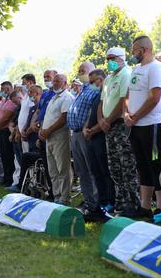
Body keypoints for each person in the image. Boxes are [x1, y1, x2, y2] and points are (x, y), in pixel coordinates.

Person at [125, 37, 161, 217]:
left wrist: (136, 116)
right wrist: (127, 114)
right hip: (135, 125)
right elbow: (128, 95)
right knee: (142, 165)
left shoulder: (156, 68)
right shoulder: (136, 69)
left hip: (152, 124)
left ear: (144, 49)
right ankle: (144, 207)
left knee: (156, 164)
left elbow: (154, 97)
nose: (133, 53)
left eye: (135, 50)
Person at [98, 47, 141, 218]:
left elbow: (123, 100)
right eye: (107, 58)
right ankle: (121, 202)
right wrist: (101, 120)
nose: (109, 61)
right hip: (108, 127)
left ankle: (133, 203)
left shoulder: (126, 75)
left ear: (122, 58)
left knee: (127, 165)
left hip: (120, 126)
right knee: (114, 166)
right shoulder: (109, 78)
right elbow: (102, 101)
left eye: (112, 58)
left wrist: (108, 120)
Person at [69, 67, 107, 221]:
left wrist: (87, 128)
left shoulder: (96, 92)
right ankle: (89, 204)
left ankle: (98, 204)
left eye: (83, 70)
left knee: (92, 170)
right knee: (82, 171)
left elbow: (93, 112)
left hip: (88, 134)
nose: (80, 72)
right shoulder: (83, 90)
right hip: (76, 133)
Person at [83, 69, 115, 214]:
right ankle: (101, 201)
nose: (91, 85)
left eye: (92, 81)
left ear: (101, 79)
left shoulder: (108, 95)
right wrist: (85, 128)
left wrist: (93, 130)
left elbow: (105, 117)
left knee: (105, 171)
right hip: (91, 138)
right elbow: (90, 113)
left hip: (100, 137)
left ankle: (110, 201)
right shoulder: (97, 96)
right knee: (95, 171)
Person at [40, 73, 72, 205]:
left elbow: (63, 118)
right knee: (52, 169)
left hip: (60, 136)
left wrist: (48, 130)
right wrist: (43, 130)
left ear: (65, 82)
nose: (54, 84)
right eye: (54, 81)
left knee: (62, 168)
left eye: (58, 81)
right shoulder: (54, 98)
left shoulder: (67, 97)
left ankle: (64, 198)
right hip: (49, 137)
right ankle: (57, 195)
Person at [0, 81, 17, 185]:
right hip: (1, 130)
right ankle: (6, 178)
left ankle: (10, 179)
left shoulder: (12, 101)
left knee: (8, 156)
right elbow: (0, 115)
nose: (1, 92)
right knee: (3, 156)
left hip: (6, 131)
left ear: (8, 89)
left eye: (3, 89)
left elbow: (6, 117)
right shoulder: (4, 100)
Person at [18, 74, 36, 153]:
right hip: (23, 132)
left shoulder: (33, 95)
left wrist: (26, 129)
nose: (22, 85)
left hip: (29, 132)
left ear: (30, 82)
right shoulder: (26, 95)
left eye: (24, 83)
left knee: (31, 157)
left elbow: (33, 114)